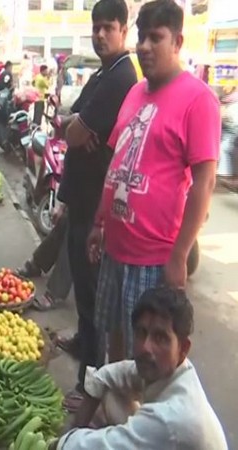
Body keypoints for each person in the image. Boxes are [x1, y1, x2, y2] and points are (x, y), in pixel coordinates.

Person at [88, 0, 220, 364]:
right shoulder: (135, 93)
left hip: (153, 260)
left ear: (177, 41)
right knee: (113, 338)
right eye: (142, 37)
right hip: (115, 250)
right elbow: (116, 164)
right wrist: (99, 222)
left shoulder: (198, 100)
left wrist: (179, 255)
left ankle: (137, 418)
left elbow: (204, 183)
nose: (144, 46)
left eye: (156, 38)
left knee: (146, 357)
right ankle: (112, 411)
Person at [56, 0, 138, 412]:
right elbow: (70, 120)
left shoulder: (121, 77)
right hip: (84, 198)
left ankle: (89, 381)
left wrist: (78, 130)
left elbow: (73, 132)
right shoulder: (104, 74)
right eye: (96, 27)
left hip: (95, 205)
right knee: (83, 292)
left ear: (125, 30)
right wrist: (76, 127)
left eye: (109, 27)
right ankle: (83, 347)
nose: (101, 34)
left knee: (90, 297)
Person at [49, 287, 228, 450]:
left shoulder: (171, 418)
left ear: (183, 349)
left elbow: (101, 447)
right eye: (141, 333)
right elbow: (107, 375)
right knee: (110, 390)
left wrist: (59, 443)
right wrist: (77, 427)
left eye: (160, 338)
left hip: (165, 431)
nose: (145, 347)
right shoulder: (167, 370)